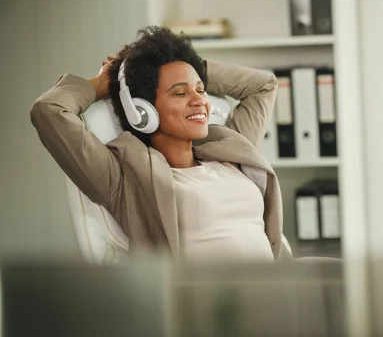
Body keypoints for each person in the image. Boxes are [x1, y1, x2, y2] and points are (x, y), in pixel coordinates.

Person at [31, 26, 293, 263]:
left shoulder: (228, 147)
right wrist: (108, 82)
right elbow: (49, 111)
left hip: (272, 289)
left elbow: (263, 85)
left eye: (200, 90)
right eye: (180, 92)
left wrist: (184, 64)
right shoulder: (125, 178)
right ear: (141, 110)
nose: (199, 100)